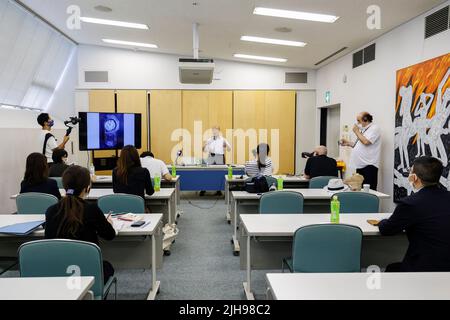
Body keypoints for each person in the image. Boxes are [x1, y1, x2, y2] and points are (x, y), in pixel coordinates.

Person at [368, 157, 450, 272]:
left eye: (411, 172)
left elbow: (387, 229)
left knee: (391, 269)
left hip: (423, 268)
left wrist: (382, 222)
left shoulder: (410, 203)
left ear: (415, 178)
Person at [44, 165, 116, 284]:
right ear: (87, 187)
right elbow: (110, 235)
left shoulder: (51, 210)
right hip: (89, 272)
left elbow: (48, 240)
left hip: (56, 272)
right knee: (107, 267)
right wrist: (106, 223)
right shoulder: (91, 209)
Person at [340, 112, 381, 190]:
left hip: (369, 165)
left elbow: (366, 142)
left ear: (365, 120)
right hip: (360, 164)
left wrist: (356, 131)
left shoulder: (374, 128)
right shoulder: (364, 130)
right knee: (359, 189)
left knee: (369, 190)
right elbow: (359, 145)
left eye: (358, 121)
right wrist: (348, 143)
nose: (357, 123)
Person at [200, 126, 232, 196]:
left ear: (219, 131)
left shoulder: (223, 139)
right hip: (211, 156)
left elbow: (229, 149)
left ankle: (219, 190)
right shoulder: (209, 139)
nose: (214, 131)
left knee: (220, 173)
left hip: (220, 156)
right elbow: (204, 150)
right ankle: (203, 188)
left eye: (216, 130)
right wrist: (204, 145)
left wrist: (226, 145)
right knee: (207, 173)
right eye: (213, 130)